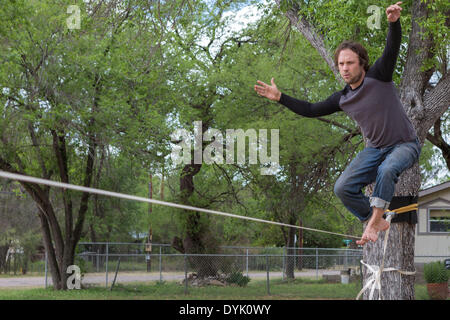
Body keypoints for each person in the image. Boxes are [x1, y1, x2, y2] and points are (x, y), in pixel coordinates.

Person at [254, 2, 421, 245]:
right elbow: (311, 110)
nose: (345, 68)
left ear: (361, 63)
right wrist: (280, 97)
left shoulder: (379, 76)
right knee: (342, 187)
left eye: (350, 63)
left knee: (387, 170)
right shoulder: (342, 99)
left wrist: (394, 23)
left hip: (405, 144)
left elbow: (392, 48)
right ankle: (376, 217)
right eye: (341, 64)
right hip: (375, 149)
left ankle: (374, 223)